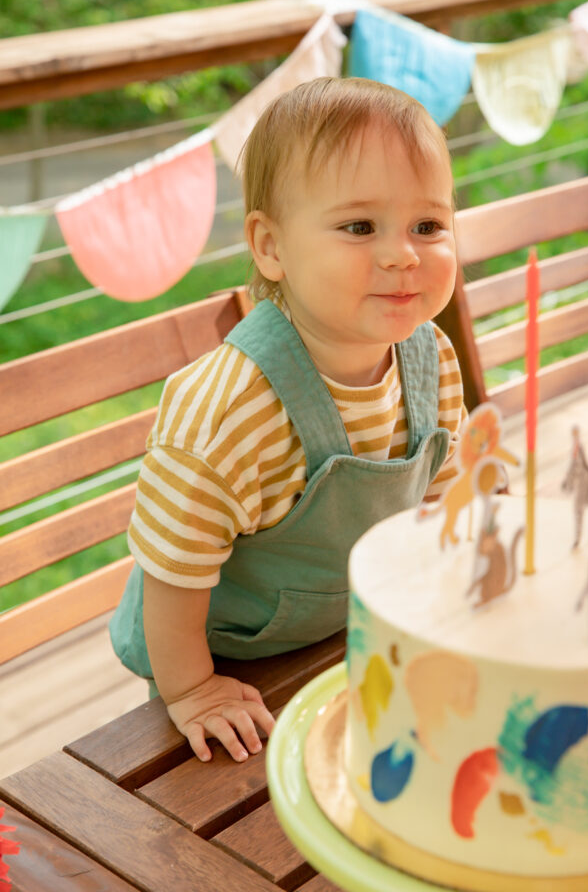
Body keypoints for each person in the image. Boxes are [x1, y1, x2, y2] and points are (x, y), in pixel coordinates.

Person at [110, 76, 466, 764]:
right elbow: (172, 572)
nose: (403, 253)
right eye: (359, 226)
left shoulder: (431, 358)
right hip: (221, 661)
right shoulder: (230, 410)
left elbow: (441, 495)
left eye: (428, 225)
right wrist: (191, 691)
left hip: (347, 634)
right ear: (270, 247)